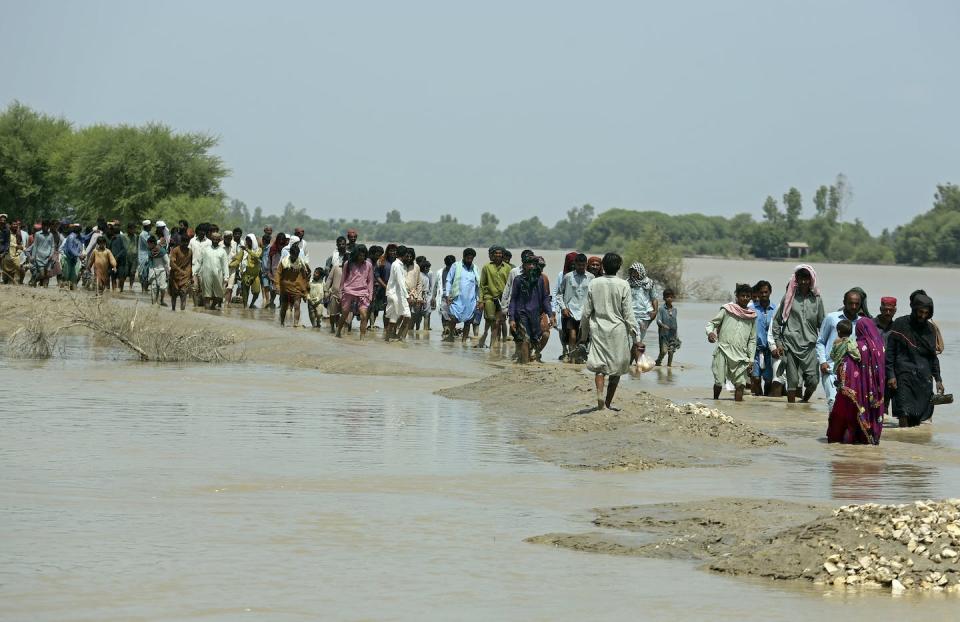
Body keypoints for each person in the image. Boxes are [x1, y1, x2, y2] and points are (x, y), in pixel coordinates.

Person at [581, 253, 640, 411]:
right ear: (619, 267)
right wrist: (636, 337)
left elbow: (586, 312)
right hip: (618, 332)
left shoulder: (594, 283)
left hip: (598, 329)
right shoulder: (623, 285)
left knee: (600, 368)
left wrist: (583, 335)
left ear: (603, 266)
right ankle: (607, 403)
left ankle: (599, 396)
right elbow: (628, 314)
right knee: (616, 370)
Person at [886, 293, 947, 427]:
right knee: (904, 412)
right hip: (903, 376)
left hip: (923, 379)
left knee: (918, 418)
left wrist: (938, 380)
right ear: (914, 309)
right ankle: (903, 443)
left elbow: (933, 357)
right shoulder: (900, 323)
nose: (923, 315)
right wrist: (890, 375)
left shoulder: (931, 329)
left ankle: (913, 444)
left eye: (926, 313)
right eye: (920, 312)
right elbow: (890, 353)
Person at [827, 318, 886, 444]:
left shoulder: (858, 345)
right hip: (876, 390)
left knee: (848, 411)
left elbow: (847, 365)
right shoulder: (880, 346)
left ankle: (848, 438)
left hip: (857, 387)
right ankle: (871, 437)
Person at [772, 265, 825, 404]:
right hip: (790, 343)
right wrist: (778, 343)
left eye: (806, 279)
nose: (804, 282)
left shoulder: (817, 299)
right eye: (801, 279)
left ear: (811, 280)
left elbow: (823, 324)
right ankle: (791, 411)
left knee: (813, 381)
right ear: (797, 280)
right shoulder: (789, 297)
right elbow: (777, 321)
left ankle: (804, 403)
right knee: (793, 381)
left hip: (810, 345)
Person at [706, 283, 758, 402]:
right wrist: (710, 333)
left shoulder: (752, 316)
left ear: (750, 298)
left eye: (747, 296)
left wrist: (751, 358)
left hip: (741, 355)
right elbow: (712, 323)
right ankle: (715, 402)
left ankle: (738, 409)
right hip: (723, 350)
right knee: (719, 382)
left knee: (741, 384)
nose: (745, 298)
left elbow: (752, 339)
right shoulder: (727, 309)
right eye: (742, 295)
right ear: (737, 296)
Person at [816, 289, 864, 410]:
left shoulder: (862, 323)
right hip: (831, 369)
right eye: (850, 303)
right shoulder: (831, 318)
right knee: (833, 401)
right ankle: (834, 428)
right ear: (844, 302)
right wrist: (822, 361)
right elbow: (821, 341)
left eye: (857, 304)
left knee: (850, 405)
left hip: (853, 371)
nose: (854, 307)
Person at [508, 256, 555, 364]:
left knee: (535, 339)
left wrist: (550, 315)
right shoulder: (518, 280)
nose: (531, 266)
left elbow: (545, 298)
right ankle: (525, 366)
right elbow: (513, 300)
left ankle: (528, 358)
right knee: (526, 339)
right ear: (523, 266)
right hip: (521, 315)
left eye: (533, 264)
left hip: (535, 315)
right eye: (528, 264)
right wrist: (511, 319)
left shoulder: (540, 280)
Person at [557, 253, 593, 362]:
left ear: (586, 265)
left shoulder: (591, 277)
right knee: (572, 334)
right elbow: (559, 294)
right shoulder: (568, 277)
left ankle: (578, 355)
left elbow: (593, 294)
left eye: (583, 265)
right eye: (579, 265)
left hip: (585, 311)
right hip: (571, 311)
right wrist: (563, 308)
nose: (581, 267)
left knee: (582, 336)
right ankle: (571, 357)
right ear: (575, 264)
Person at [337, 244, 374, 339]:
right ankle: (338, 332)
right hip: (348, 291)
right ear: (356, 254)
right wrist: (340, 292)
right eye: (360, 255)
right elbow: (343, 279)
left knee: (364, 315)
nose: (362, 257)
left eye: (364, 255)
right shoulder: (348, 264)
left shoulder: (368, 265)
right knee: (344, 313)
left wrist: (370, 295)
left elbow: (370, 281)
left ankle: (362, 338)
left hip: (363, 293)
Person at [444, 248, 480, 343]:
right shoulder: (455, 266)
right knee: (453, 318)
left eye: (471, 258)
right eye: (467, 258)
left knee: (468, 322)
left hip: (470, 300)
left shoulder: (475, 268)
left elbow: (478, 285)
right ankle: (451, 335)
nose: (469, 260)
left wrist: (479, 300)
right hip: (457, 298)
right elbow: (449, 280)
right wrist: (447, 295)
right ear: (464, 257)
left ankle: (464, 341)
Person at [748, 280, 778, 395]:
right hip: (754, 349)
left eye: (766, 292)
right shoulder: (751, 309)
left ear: (770, 292)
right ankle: (758, 401)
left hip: (770, 350)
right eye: (761, 293)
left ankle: (766, 400)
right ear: (758, 294)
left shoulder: (776, 309)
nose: (763, 295)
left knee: (769, 380)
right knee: (755, 379)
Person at [478, 246, 511, 348]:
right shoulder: (486, 267)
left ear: (503, 255)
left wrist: (509, 301)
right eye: (496, 253)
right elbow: (482, 285)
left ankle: (493, 344)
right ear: (492, 254)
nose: (498, 255)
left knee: (498, 322)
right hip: (489, 298)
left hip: (502, 299)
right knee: (490, 320)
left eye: (500, 253)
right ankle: (485, 335)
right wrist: (480, 300)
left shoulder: (508, 268)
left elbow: (509, 285)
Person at [385, 246, 421, 341]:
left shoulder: (401, 265)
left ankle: (398, 338)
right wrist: (407, 296)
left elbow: (418, 282)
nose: (408, 257)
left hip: (400, 295)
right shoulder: (397, 265)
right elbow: (401, 282)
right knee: (393, 320)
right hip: (395, 295)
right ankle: (387, 339)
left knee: (407, 316)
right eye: (407, 255)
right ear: (404, 255)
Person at [275, 243, 310, 328]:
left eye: (296, 255)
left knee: (297, 305)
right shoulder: (284, 262)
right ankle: (282, 323)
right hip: (285, 288)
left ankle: (295, 324)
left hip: (297, 288)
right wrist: (277, 286)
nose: (295, 257)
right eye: (293, 255)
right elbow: (278, 274)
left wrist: (306, 291)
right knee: (284, 306)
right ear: (290, 253)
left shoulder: (301, 264)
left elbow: (305, 277)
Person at [628, 262, 659, 344]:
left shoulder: (649, 283)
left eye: (635, 272)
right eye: (632, 272)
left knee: (639, 340)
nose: (633, 274)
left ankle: (632, 357)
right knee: (636, 340)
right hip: (632, 314)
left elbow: (654, 298)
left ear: (640, 271)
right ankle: (635, 356)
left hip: (645, 315)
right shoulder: (627, 283)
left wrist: (655, 311)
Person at [197, 231, 229, 309]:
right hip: (206, 274)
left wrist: (226, 277)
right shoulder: (205, 250)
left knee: (218, 295)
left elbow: (225, 265)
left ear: (219, 240)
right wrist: (195, 272)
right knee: (207, 294)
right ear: (211, 239)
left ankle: (212, 307)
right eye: (214, 239)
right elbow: (199, 262)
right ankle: (207, 311)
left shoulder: (222, 251)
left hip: (218, 275)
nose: (215, 241)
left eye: (217, 240)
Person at [371, 244, 395, 329]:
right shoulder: (382, 261)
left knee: (390, 310)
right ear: (387, 251)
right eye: (391, 250)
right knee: (378, 310)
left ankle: (388, 328)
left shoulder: (398, 262)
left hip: (395, 290)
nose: (393, 252)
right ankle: (374, 327)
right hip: (382, 289)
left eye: (394, 250)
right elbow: (377, 275)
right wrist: (385, 286)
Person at [236, 234, 262, 309]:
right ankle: (245, 307)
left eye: (249, 241)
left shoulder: (258, 250)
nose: (248, 242)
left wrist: (247, 250)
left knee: (256, 292)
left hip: (255, 274)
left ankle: (251, 304)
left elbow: (256, 256)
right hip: (246, 274)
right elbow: (238, 259)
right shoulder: (244, 250)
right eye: (247, 241)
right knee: (245, 291)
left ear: (253, 241)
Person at [25, 221, 55, 287]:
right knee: (41, 274)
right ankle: (33, 281)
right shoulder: (38, 234)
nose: (46, 227)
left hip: (48, 257)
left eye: (47, 226)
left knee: (47, 274)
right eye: (45, 226)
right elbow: (35, 246)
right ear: (42, 226)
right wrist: (33, 256)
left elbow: (52, 246)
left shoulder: (51, 235)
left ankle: (41, 285)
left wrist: (51, 255)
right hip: (39, 257)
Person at [655, 288, 680, 367]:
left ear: (673, 298)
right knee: (664, 351)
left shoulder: (675, 310)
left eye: (671, 297)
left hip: (672, 335)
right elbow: (658, 320)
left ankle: (669, 366)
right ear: (664, 298)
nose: (669, 298)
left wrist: (677, 335)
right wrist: (663, 325)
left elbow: (675, 322)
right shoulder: (661, 309)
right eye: (667, 297)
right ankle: (658, 361)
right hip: (663, 334)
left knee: (671, 351)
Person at [168, 235, 193, 311]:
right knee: (174, 295)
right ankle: (173, 310)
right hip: (175, 275)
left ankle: (183, 311)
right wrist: (179, 270)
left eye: (187, 242)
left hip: (185, 276)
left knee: (183, 293)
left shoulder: (190, 251)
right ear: (181, 242)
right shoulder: (175, 250)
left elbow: (190, 263)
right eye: (184, 242)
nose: (185, 243)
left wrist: (190, 275)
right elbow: (172, 263)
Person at [144, 235, 169, 305]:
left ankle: (162, 300)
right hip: (153, 270)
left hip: (162, 271)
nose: (148, 245)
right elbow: (150, 263)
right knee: (154, 288)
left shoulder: (162, 251)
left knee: (162, 288)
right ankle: (154, 303)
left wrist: (168, 270)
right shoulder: (150, 251)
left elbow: (167, 261)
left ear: (153, 243)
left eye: (149, 244)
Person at [61, 224, 83, 290]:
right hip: (67, 259)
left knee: (73, 278)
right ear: (79, 231)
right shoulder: (71, 237)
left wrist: (92, 232)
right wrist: (79, 255)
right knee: (66, 277)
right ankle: (62, 291)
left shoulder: (77, 237)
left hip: (73, 259)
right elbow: (70, 249)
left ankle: (73, 290)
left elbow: (86, 237)